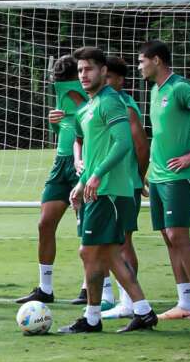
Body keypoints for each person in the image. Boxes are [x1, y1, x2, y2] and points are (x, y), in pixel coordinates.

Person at [59, 46, 156, 334]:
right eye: (80, 70)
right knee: (110, 254)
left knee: (88, 252)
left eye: (89, 69)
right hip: (95, 189)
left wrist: (98, 176)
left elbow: (123, 143)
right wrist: (80, 182)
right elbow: (93, 153)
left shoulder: (111, 101)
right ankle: (143, 311)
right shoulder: (87, 108)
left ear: (103, 71)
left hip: (111, 191)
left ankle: (91, 317)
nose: (84, 74)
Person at [138, 40, 190, 324]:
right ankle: (184, 302)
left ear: (157, 60)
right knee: (167, 237)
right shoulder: (155, 90)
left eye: (142, 61)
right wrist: (149, 171)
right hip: (160, 175)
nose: (140, 66)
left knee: (178, 236)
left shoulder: (180, 88)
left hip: (180, 176)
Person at [16, 55, 88, 305]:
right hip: (60, 163)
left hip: (84, 163)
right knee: (45, 223)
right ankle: (45, 288)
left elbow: (89, 127)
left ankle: (90, 286)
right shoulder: (62, 95)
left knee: (87, 230)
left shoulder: (90, 95)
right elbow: (64, 130)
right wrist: (54, 124)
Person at [100, 56, 149, 320]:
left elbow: (142, 147)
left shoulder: (124, 106)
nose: (104, 81)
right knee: (112, 242)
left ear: (120, 79)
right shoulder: (108, 103)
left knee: (123, 241)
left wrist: (138, 178)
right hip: (113, 183)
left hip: (125, 184)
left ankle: (129, 302)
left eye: (108, 77)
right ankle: (119, 299)